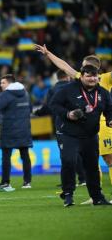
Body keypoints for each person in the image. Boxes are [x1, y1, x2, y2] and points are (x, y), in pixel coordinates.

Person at [35, 44, 112, 199]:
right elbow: (64, 66)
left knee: (108, 159)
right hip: (88, 126)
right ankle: (95, 195)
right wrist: (48, 53)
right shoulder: (81, 77)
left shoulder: (105, 78)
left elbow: (65, 66)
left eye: (83, 66)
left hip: (104, 123)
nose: (80, 70)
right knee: (93, 163)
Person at [49, 65, 112, 206]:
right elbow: (53, 104)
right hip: (70, 134)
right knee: (69, 162)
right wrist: (67, 114)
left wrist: (109, 120)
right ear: (81, 76)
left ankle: (97, 197)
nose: (92, 78)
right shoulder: (68, 89)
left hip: (90, 136)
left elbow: (109, 109)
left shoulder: (103, 92)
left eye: (95, 75)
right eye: (88, 75)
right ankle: (68, 195)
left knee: (92, 167)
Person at [33, 70, 86, 186]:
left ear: (57, 78)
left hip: (62, 124)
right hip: (80, 123)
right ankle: (83, 178)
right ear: (67, 77)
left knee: (66, 152)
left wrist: (37, 113)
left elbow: (48, 107)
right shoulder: (76, 87)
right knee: (79, 150)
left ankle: (74, 180)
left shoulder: (53, 90)